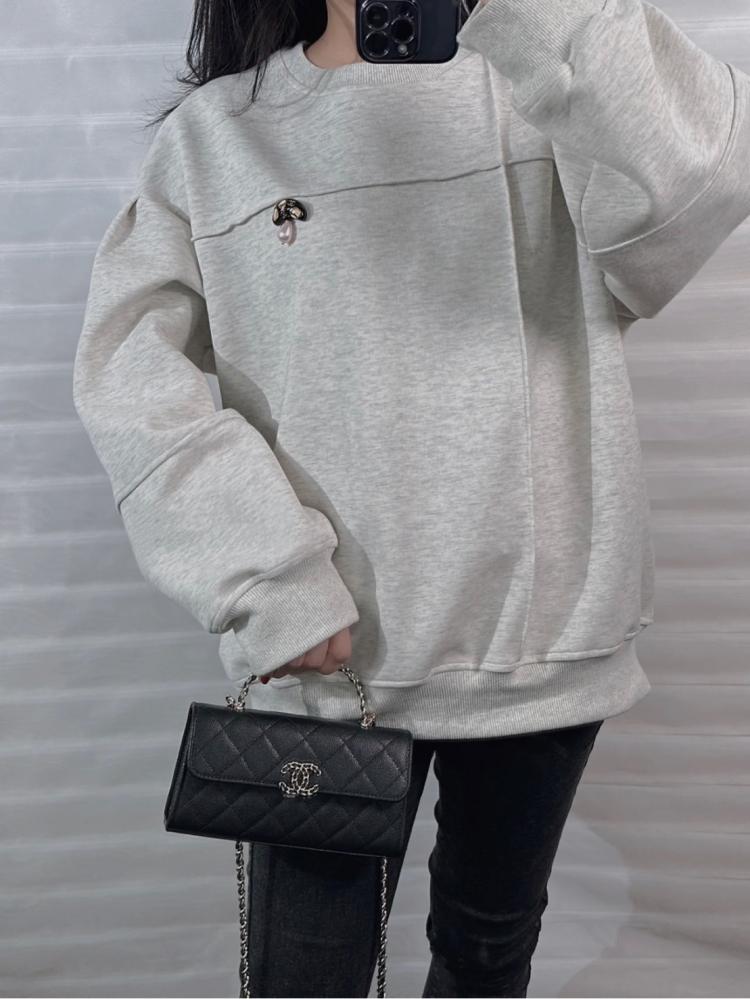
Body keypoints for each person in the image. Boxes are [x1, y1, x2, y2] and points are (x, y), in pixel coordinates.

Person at [72, 0, 750, 995]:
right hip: (326, 661)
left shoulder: (552, 93)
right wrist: (266, 576)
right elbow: (129, 378)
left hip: (544, 649)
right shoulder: (218, 136)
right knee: (304, 977)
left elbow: (697, 184)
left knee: (488, 952)